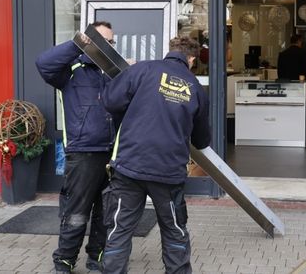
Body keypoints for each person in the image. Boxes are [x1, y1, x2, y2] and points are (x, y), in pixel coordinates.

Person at [101, 36, 211, 274]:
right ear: (191, 59)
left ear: (170, 51)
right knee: (174, 230)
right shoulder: (195, 87)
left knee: (119, 229)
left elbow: (110, 101)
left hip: (129, 166)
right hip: (168, 172)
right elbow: (202, 140)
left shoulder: (142, 69)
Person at [35, 21, 117, 273]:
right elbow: (44, 64)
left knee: (106, 212)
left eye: (111, 42)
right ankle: (65, 261)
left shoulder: (115, 73)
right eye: (102, 41)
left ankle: (97, 257)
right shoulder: (72, 69)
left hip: (113, 153)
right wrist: (77, 44)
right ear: (90, 41)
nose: (108, 46)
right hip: (83, 153)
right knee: (77, 212)